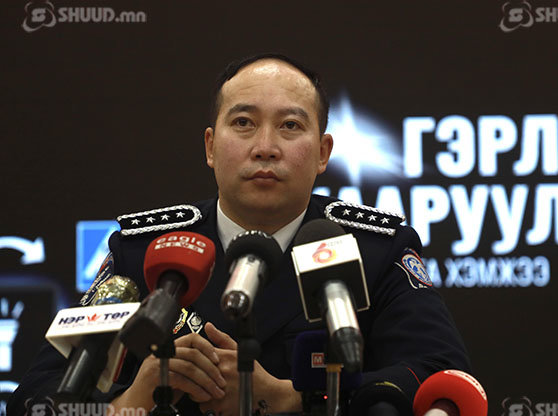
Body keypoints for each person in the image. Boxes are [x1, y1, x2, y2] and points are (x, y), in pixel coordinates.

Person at [9, 54, 471, 415]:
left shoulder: (374, 249)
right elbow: (36, 397)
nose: (265, 147)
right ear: (211, 146)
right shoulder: (143, 251)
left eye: (290, 126)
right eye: (243, 123)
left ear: (323, 152)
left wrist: (288, 397)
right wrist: (136, 397)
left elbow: (442, 379)